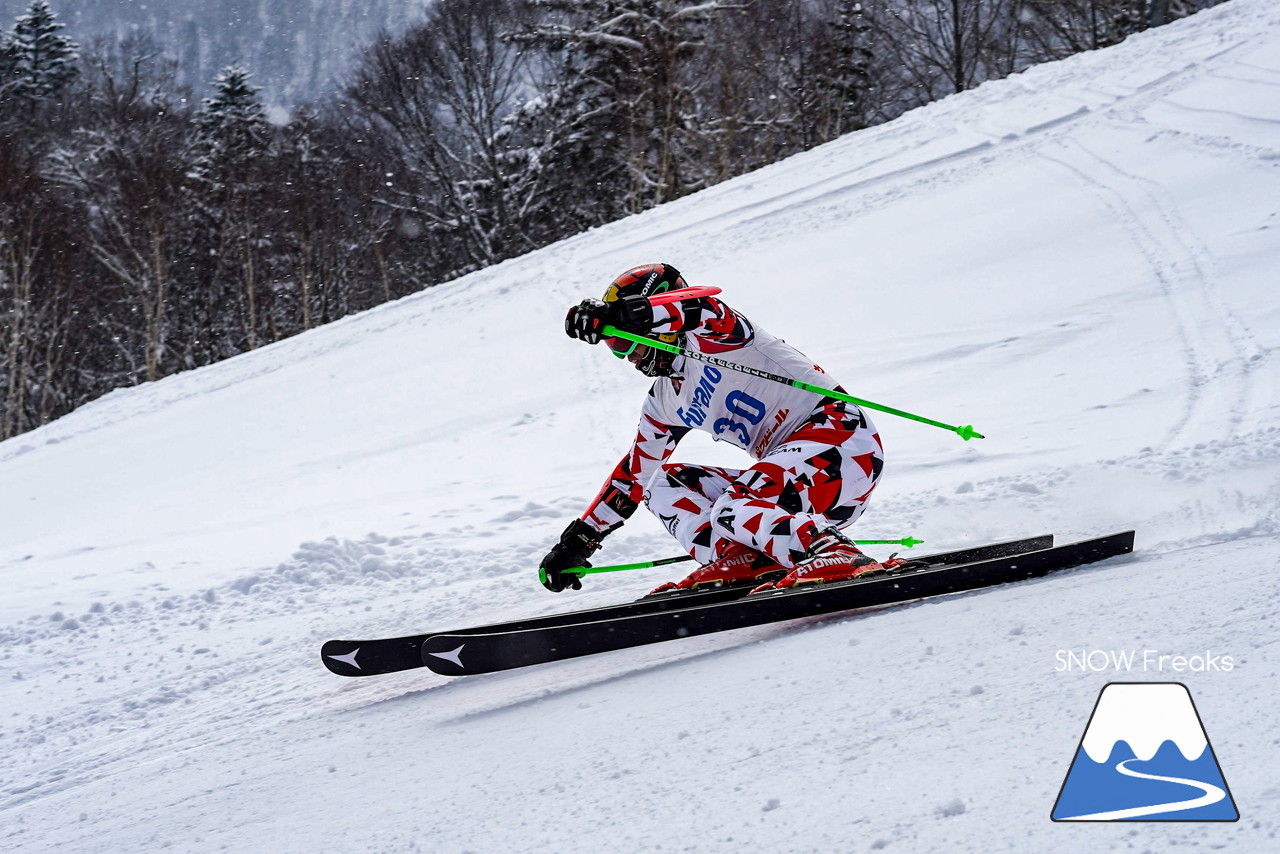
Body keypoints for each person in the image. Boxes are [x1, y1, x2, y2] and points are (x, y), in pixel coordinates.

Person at [540, 263, 907, 594]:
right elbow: (632, 477)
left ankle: (833, 552)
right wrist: (580, 539)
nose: (628, 357)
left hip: (842, 443)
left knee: (733, 505)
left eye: (624, 341)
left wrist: (621, 314)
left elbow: (700, 308)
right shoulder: (665, 399)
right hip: (791, 491)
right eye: (614, 348)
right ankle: (744, 560)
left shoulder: (718, 335)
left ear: (655, 321)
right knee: (659, 483)